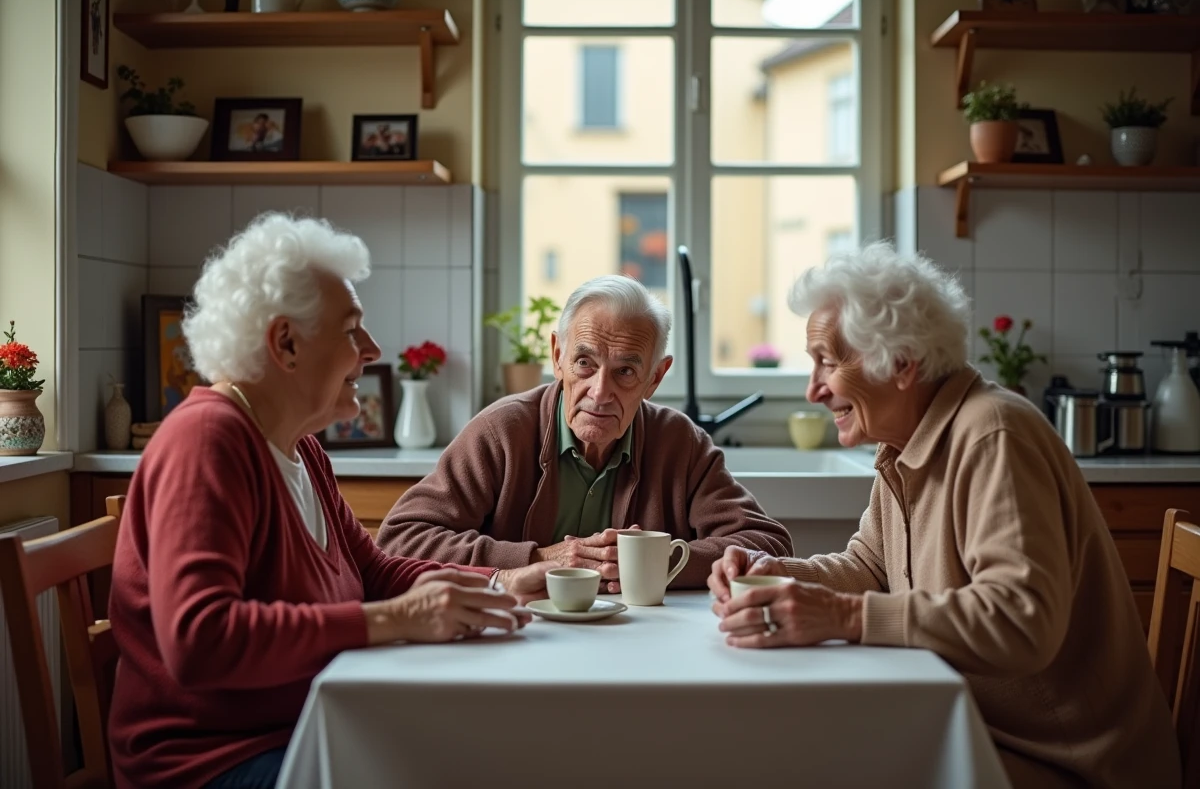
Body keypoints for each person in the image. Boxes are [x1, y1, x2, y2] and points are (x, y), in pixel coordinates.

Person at [707, 242, 1179, 788]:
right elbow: (869, 567)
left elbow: (1021, 619)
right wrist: (777, 575)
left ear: (901, 363)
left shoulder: (993, 435)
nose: (813, 390)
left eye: (828, 362)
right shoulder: (905, 444)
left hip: (1075, 764)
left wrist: (842, 615)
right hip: (982, 730)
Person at [107, 213, 552, 789]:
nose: (372, 349)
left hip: (299, 727)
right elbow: (201, 639)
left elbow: (372, 571)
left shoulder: (300, 447)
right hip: (212, 762)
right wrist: (397, 619)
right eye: (351, 330)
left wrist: (500, 582)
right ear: (286, 344)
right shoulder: (207, 441)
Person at [375, 275, 793, 591]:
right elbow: (400, 539)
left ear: (654, 378)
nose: (600, 392)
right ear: (558, 356)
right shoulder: (502, 430)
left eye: (625, 371)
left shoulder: (679, 442)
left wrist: (656, 561)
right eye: (584, 363)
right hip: (517, 636)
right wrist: (538, 559)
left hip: (639, 643)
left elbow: (767, 544)